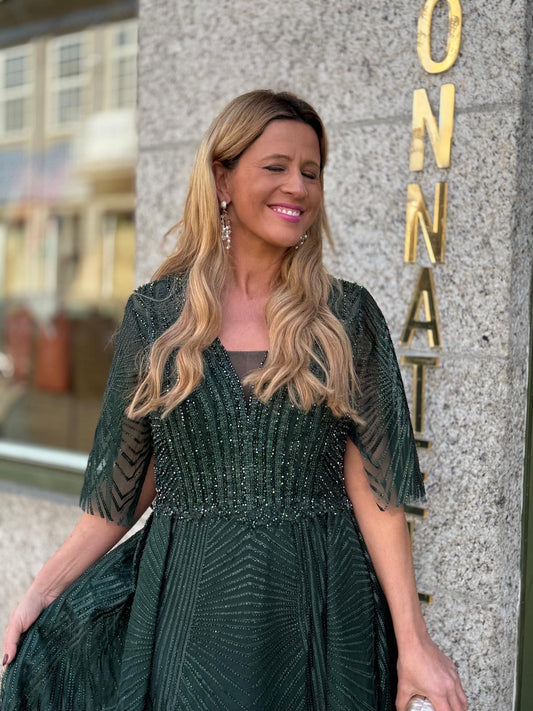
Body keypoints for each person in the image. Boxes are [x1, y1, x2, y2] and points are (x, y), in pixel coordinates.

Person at [1, 89, 468, 711]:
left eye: (311, 171)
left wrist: (414, 640)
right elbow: (125, 489)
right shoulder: (157, 317)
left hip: (320, 602)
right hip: (189, 603)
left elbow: (377, 493)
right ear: (222, 178)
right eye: (276, 166)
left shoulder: (345, 316)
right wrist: (40, 592)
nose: (298, 186)